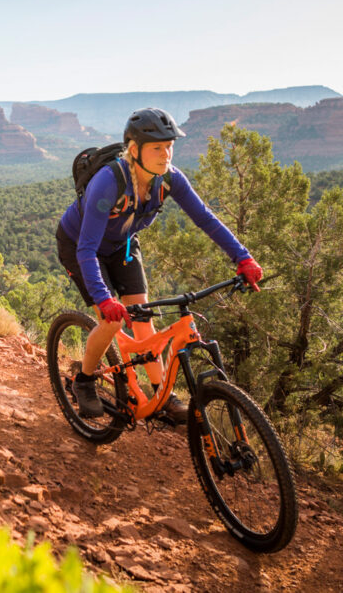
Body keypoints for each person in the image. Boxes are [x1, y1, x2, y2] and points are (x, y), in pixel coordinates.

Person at [56, 108, 262, 422]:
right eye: (157, 147)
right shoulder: (108, 182)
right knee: (111, 321)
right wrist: (104, 298)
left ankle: (162, 395)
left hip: (123, 245)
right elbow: (86, 247)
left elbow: (205, 218)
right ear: (134, 149)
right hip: (80, 246)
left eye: (169, 146)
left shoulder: (169, 179)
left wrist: (243, 257)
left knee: (143, 317)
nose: (166, 154)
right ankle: (84, 380)